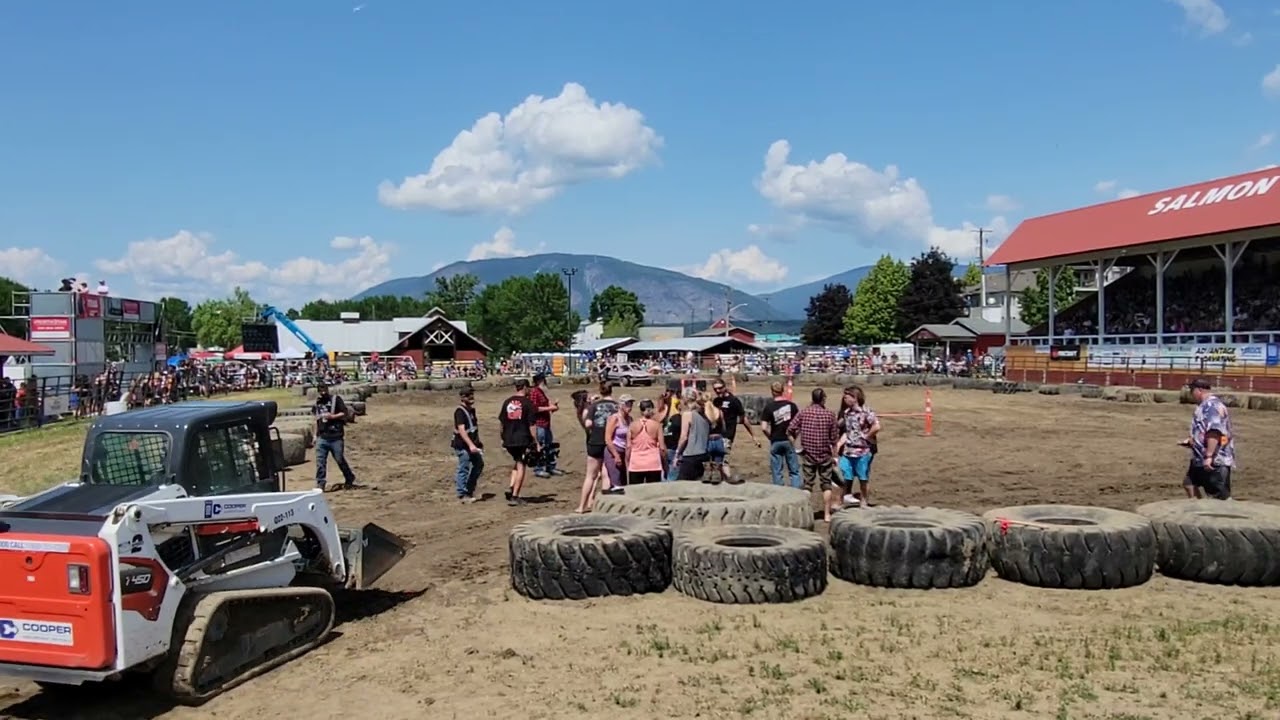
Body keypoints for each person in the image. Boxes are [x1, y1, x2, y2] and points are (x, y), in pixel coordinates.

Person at [787, 388, 841, 521]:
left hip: (808, 454)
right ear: (823, 399)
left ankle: (805, 513)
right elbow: (834, 439)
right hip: (825, 455)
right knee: (826, 484)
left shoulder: (803, 413)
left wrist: (796, 446)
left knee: (807, 485)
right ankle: (827, 514)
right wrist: (835, 456)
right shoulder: (830, 415)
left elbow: (790, 430)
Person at [1179, 377, 1235, 500]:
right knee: (1189, 483)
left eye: (1192, 391)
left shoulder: (1212, 406)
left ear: (1199, 390)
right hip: (1200, 458)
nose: (1191, 394)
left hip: (1215, 459)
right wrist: (1192, 441)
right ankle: (1199, 509)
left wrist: (1209, 456)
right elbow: (1204, 430)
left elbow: (1214, 432)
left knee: (1219, 497)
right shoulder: (1203, 406)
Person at [576, 382, 619, 512]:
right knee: (606, 474)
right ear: (611, 390)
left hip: (595, 441)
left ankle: (582, 506)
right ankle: (603, 507)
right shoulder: (616, 406)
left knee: (590, 475)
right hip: (610, 442)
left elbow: (588, 424)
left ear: (600, 391)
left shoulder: (594, 406)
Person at [836, 385, 880, 508]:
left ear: (855, 398)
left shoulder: (866, 412)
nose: (844, 398)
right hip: (848, 451)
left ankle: (864, 501)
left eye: (847, 396)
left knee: (863, 478)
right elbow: (847, 431)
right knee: (842, 476)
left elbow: (876, 426)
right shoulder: (846, 413)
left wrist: (867, 436)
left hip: (862, 451)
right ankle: (840, 501)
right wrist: (839, 444)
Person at [499, 378, 540, 507]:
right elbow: (532, 425)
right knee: (522, 465)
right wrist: (536, 441)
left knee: (517, 462)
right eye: (529, 388)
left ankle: (512, 487)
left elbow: (501, 422)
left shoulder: (507, 402)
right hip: (522, 439)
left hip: (508, 438)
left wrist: (503, 436)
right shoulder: (528, 403)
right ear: (525, 388)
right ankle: (515, 496)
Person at [709, 379, 760, 484]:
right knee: (715, 461)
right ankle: (721, 481)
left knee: (724, 459)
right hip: (715, 436)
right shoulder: (716, 401)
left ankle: (728, 479)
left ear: (725, 387)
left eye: (720, 388)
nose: (718, 391)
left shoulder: (734, 401)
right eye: (715, 389)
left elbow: (743, 419)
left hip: (727, 435)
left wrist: (753, 435)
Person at [312, 382, 358, 492]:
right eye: (321, 391)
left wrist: (332, 416)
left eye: (324, 390)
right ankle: (320, 483)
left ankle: (349, 476)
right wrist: (314, 435)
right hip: (322, 436)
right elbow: (316, 419)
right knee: (320, 462)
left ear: (327, 389)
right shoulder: (318, 403)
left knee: (339, 459)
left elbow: (344, 413)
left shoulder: (336, 400)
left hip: (335, 436)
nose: (323, 392)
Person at [760, 381, 801, 488]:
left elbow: (763, 427)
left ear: (772, 392)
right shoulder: (792, 406)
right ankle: (796, 491)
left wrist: (770, 437)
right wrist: (795, 438)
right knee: (794, 470)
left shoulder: (769, 407)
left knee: (777, 470)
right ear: (783, 391)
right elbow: (798, 425)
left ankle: (779, 491)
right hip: (789, 440)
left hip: (776, 440)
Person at [528, 373, 564, 478]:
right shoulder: (535, 392)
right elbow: (534, 408)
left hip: (545, 423)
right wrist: (550, 408)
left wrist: (553, 407)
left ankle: (550, 466)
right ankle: (539, 468)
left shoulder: (541, 392)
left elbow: (544, 407)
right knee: (540, 446)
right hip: (539, 424)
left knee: (549, 446)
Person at [452, 388, 484, 503]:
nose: (471, 397)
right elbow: (462, 430)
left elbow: (473, 429)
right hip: (462, 445)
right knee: (464, 467)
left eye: (472, 394)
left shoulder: (471, 411)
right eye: (468, 395)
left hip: (471, 444)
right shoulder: (460, 412)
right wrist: (471, 445)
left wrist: (478, 443)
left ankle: (469, 490)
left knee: (479, 464)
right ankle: (462, 494)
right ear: (462, 397)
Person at [675, 389, 714, 481]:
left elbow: (684, 437)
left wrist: (677, 454)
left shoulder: (687, 415)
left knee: (681, 484)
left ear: (685, 399)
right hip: (704, 454)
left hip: (690, 455)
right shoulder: (705, 415)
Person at [626, 398, 666, 484]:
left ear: (641, 411)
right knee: (653, 491)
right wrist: (664, 463)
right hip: (653, 464)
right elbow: (662, 448)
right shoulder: (657, 425)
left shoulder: (632, 425)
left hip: (636, 464)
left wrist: (627, 461)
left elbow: (628, 446)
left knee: (635, 490)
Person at [603, 394, 634, 490]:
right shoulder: (614, 418)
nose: (630, 407)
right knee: (616, 482)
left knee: (624, 482)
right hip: (613, 451)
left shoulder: (630, 419)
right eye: (627, 404)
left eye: (631, 404)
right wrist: (616, 455)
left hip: (624, 452)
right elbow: (608, 439)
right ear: (621, 405)